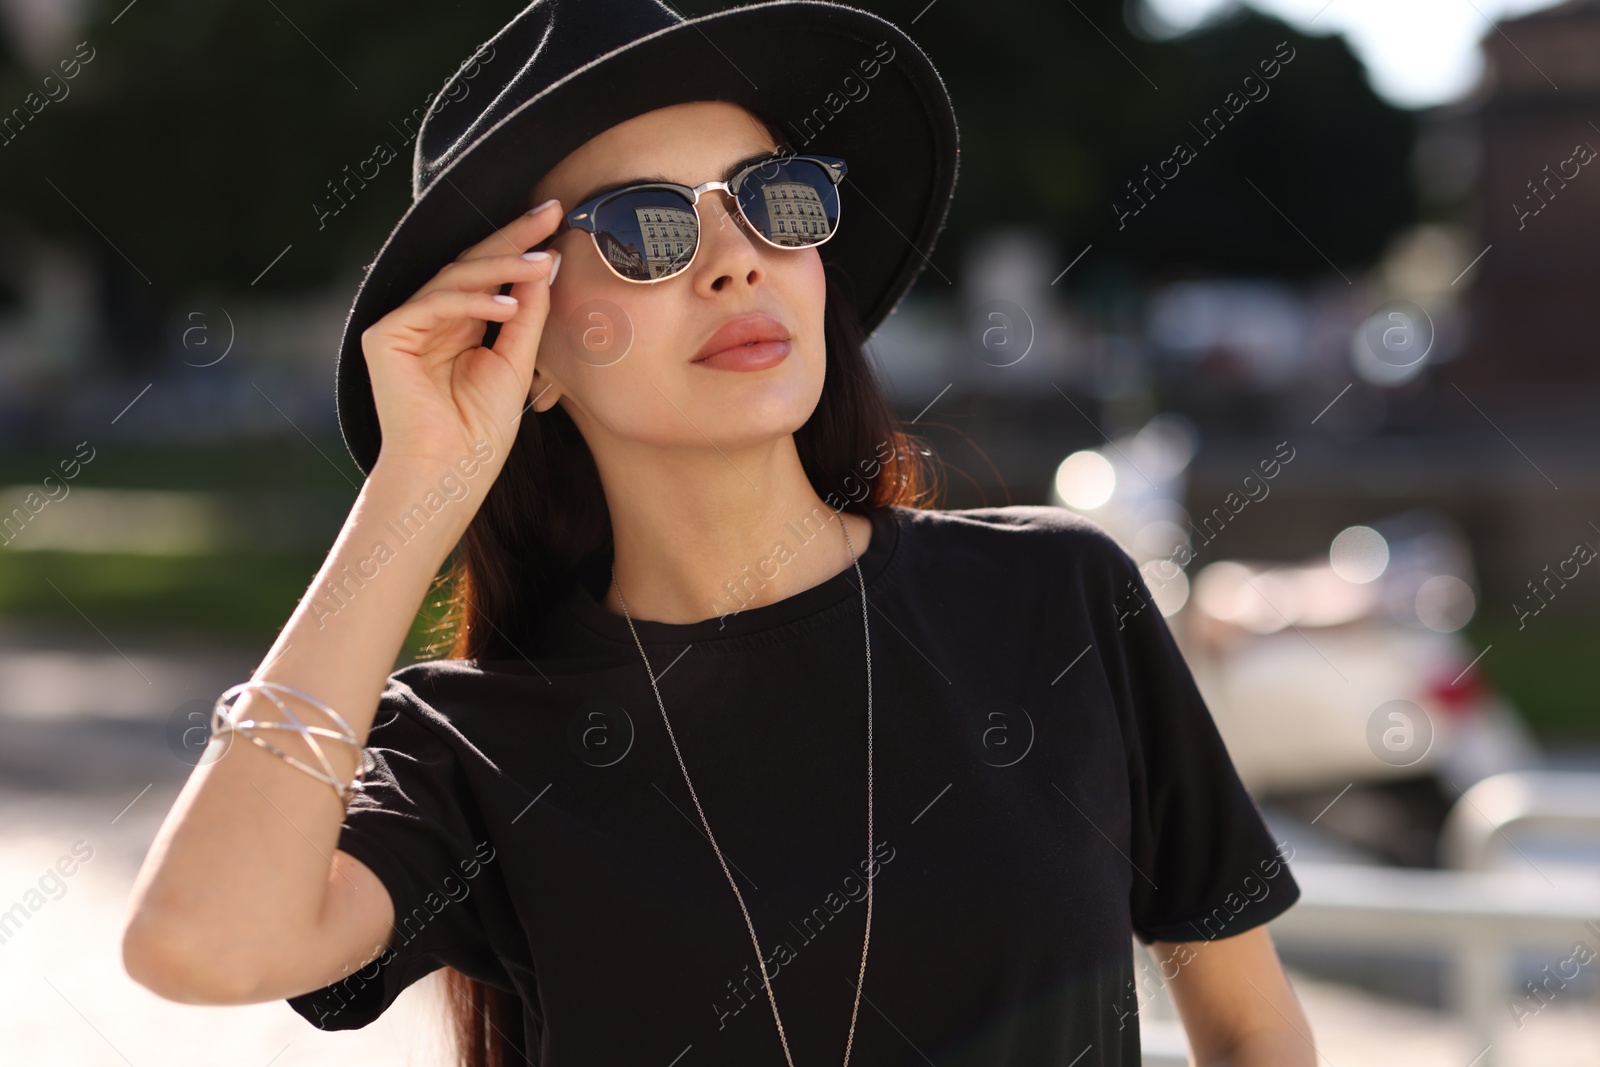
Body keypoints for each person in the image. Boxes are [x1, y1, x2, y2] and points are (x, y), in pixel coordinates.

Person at [121, 2, 1314, 1065]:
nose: (738, 261)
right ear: (517, 342)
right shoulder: (474, 745)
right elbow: (200, 945)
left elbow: (1253, 1026)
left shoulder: (1054, 597)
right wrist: (417, 486)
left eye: (772, 200)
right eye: (645, 229)